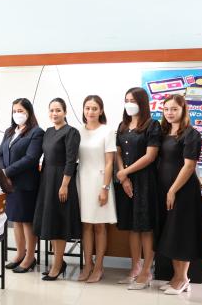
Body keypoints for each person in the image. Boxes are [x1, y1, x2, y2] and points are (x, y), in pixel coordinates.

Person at [156, 94, 202, 295]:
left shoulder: (191, 134)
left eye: (174, 109)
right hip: (165, 189)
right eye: (166, 109)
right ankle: (176, 277)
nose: (170, 113)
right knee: (171, 234)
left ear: (183, 110)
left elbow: (189, 166)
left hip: (182, 191)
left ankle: (183, 278)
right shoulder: (163, 132)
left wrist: (173, 190)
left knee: (182, 234)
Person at [114, 87, 161, 289]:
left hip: (145, 181)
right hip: (125, 181)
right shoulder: (123, 125)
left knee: (145, 227)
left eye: (133, 100)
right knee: (132, 227)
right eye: (127, 100)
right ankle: (135, 268)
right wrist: (123, 176)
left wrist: (125, 172)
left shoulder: (152, 125)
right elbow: (117, 152)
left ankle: (146, 271)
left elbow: (150, 156)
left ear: (142, 102)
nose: (129, 104)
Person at [33, 98, 81, 281]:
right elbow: (45, 158)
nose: (55, 113)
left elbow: (71, 160)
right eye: (52, 110)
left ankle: (57, 265)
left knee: (59, 223)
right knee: (51, 222)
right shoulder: (48, 132)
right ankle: (58, 263)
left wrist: (64, 185)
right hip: (47, 179)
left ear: (65, 112)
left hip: (62, 180)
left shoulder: (71, 132)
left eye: (58, 110)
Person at [0, 98, 44, 274]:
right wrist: (3, 173)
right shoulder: (10, 131)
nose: (17, 114)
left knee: (27, 221)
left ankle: (30, 257)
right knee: (15, 219)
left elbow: (31, 158)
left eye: (21, 111)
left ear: (29, 112)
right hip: (10, 184)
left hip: (26, 183)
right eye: (15, 111)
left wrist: (7, 172)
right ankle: (20, 254)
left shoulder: (36, 132)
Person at [76, 95, 117, 283]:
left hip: (100, 182)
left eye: (94, 108)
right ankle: (88, 265)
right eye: (87, 108)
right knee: (86, 225)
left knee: (99, 225)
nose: (90, 112)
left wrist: (105, 188)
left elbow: (109, 163)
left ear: (100, 111)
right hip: (82, 181)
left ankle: (99, 267)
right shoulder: (78, 131)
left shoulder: (107, 131)